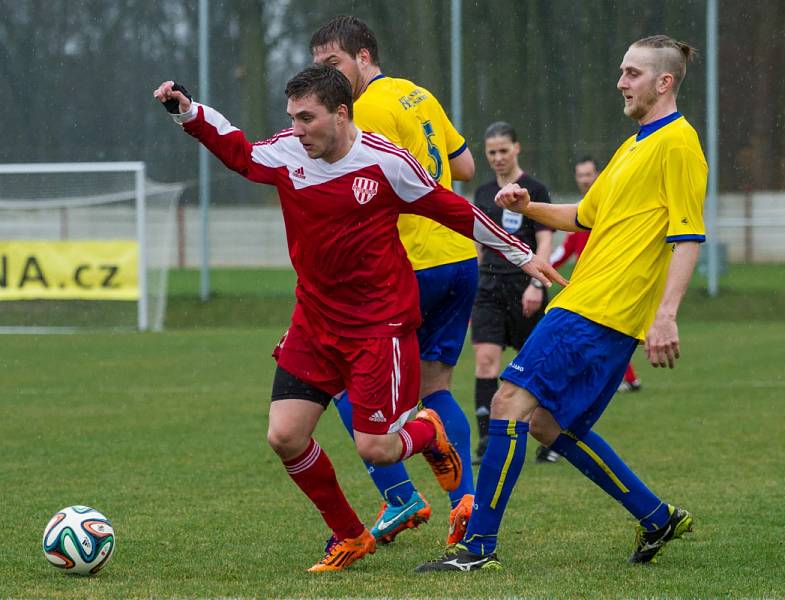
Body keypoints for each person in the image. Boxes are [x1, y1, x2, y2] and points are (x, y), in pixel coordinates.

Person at [153, 65, 564, 572]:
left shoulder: (386, 163)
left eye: (307, 119)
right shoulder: (287, 153)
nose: (296, 129)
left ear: (342, 114)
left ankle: (428, 431)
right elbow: (237, 149)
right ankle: (348, 534)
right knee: (284, 436)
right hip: (314, 321)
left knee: (381, 449)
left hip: (379, 325)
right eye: (292, 118)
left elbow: (450, 208)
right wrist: (189, 113)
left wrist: (522, 255)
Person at [417, 34, 707, 572]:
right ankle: (655, 516)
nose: (620, 81)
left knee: (507, 401)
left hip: (599, 310)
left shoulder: (679, 143)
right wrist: (531, 205)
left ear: (664, 82)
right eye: (622, 71)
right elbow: (583, 217)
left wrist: (665, 314)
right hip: (587, 305)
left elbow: (687, 235)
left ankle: (478, 546)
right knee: (550, 425)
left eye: (632, 73)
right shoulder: (636, 144)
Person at [310, 16, 480, 546]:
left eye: (333, 65)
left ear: (364, 57)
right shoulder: (418, 95)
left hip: (411, 265)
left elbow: (359, 178)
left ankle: (400, 495)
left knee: (340, 374)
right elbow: (467, 166)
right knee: (436, 388)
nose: (326, 79)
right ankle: (467, 504)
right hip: (460, 258)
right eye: (318, 68)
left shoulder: (366, 109)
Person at [469, 121, 556, 466]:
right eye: (491, 152)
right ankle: (487, 439)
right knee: (486, 359)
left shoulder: (534, 189)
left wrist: (538, 283)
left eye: (503, 150)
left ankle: (550, 434)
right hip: (488, 288)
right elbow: (478, 244)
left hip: (525, 289)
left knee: (535, 367)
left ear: (517, 148)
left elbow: (546, 240)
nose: (498, 158)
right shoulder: (481, 192)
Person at [551, 157, 642, 394]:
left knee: (602, 329)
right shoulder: (582, 210)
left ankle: (618, 378)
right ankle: (627, 378)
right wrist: (542, 267)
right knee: (602, 330)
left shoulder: (611, 205)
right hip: (588, 283)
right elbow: (567, 247)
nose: (584, 180)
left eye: (588, 174)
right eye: (580, 175)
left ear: (598, 175)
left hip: (611, 278)